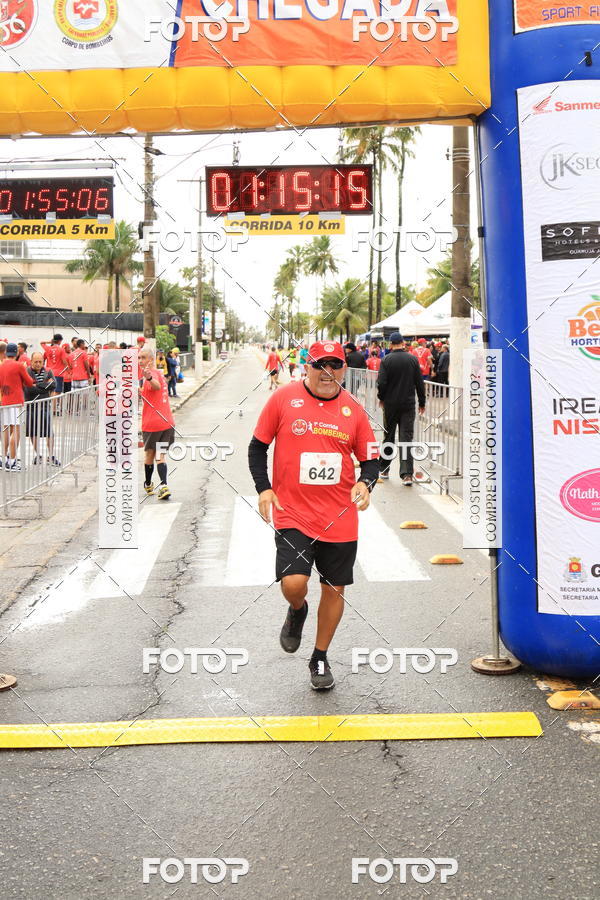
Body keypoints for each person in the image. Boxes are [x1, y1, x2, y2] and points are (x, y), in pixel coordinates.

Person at [248, 339, 380, 690]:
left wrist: (366, 483)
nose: (327, 372)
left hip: (339, 517)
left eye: (335, 365)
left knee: (334, 589)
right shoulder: (283, 399)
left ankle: (319, 658)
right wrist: (264, 487)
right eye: (320, 365)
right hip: (293, 512)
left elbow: (371, 458)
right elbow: (257, 446)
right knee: (294, 583)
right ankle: (297, 610)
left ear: (343, 369)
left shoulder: (353, 409)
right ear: (306, 366)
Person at [377, 332, 425, 486]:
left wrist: (381, 398)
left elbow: (382, 383)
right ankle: (406, 475)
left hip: (390, 404)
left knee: (388, 436)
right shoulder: (412, 359)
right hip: (408, 404)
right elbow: (419, 382)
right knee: (406, 438)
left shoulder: (386, 360)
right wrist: (422, 402)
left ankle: (384, 469)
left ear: (390, 344)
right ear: (403, 343)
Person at [139, 346, 175, 501]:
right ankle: (164, 485)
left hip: (152, 424)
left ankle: (148, 484)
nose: (140, 361)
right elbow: (154, 391)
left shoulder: (151, 375)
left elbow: (156, 386)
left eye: (143, 357)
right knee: (160, 455)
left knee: (149, 454)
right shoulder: (159, 373)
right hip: (166, 422)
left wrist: (147, 379)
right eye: (139, 357)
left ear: (151, 359)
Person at [0, 343, 34, 471]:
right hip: (17, 402)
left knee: (6, 430)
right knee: (17, 430)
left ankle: (4, 459)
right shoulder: (19, 365)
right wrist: (24, 368)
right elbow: (29, 382)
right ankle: (13, 461)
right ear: (16, 353)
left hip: (5, 400)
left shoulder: (1, 365)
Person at [25, 352, 59, 466]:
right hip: (31, 406)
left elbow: (54, 385)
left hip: (45, 406)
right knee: (33, 432)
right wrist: (44, 386)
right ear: (31, 361)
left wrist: (36, 386)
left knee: (49, 432)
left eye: (40, 361)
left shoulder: (48, 371)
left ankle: (51, 456)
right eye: (36, 362)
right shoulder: (27, 371)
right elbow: (28, 389)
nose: (38, 364)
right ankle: (38, 455)